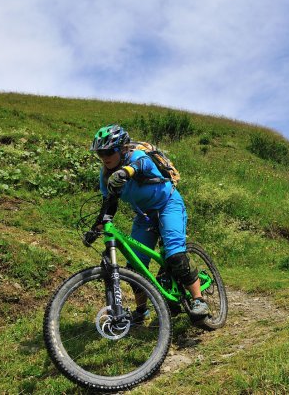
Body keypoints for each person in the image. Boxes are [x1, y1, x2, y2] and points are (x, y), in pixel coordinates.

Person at [88, 123, 209, 320]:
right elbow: (109, 204)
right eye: (100, 154)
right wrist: (97, 227)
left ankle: (198, 300)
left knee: (175, 255)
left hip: (168, 204)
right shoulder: (106, 176)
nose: (105, 157)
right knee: (135, 267)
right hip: (144, 217)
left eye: (109, 151)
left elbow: (143, 165)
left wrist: (126, 172)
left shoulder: (136, 157)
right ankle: (141, 311)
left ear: (122, 148)